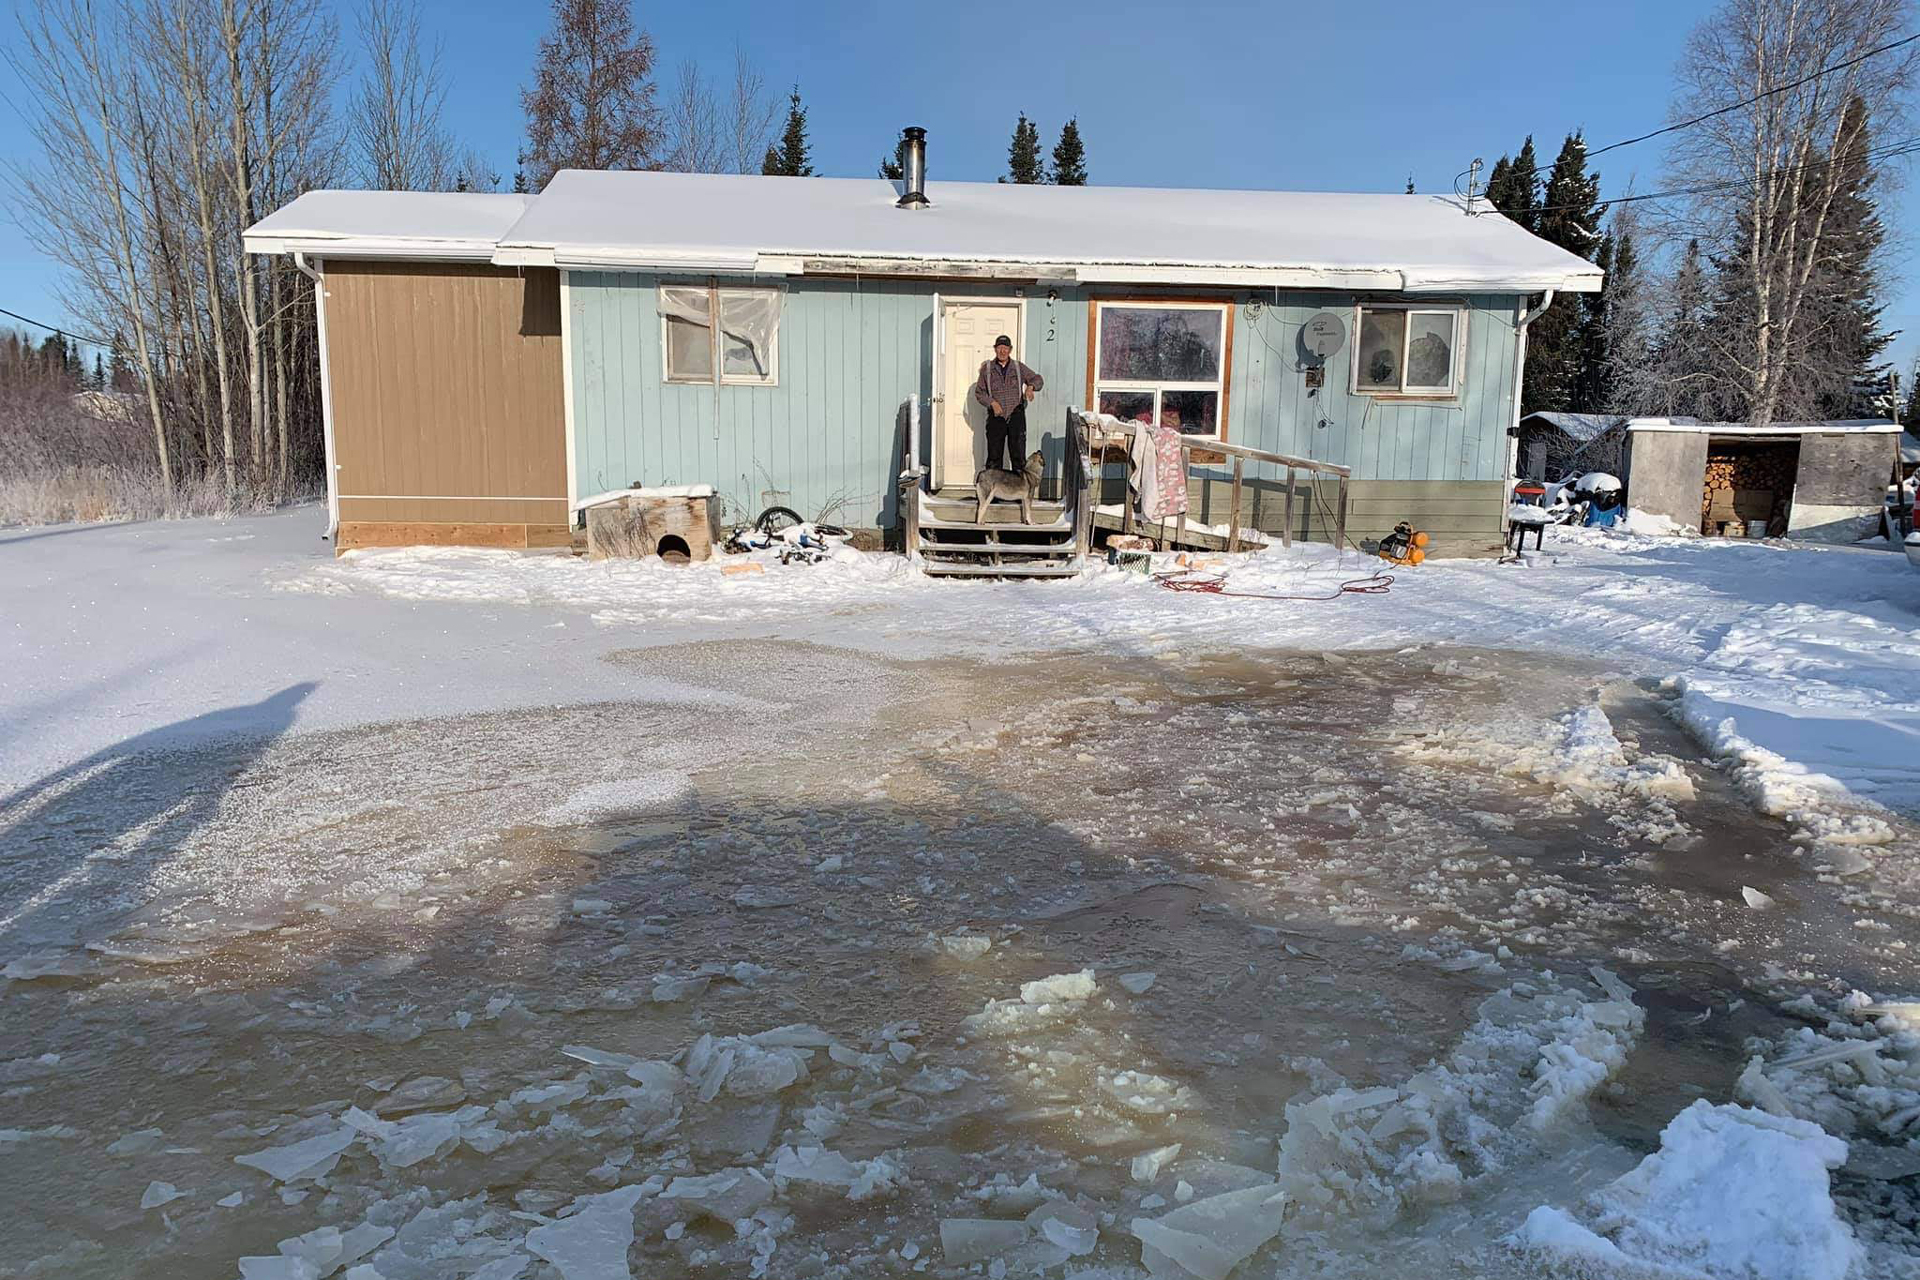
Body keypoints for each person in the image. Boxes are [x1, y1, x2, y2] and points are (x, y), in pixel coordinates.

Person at [973, 335, 1044, 471]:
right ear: (995, 349)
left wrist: (1031, 387)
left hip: (1016, 415)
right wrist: (992, 403)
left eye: (1005, 348)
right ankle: (993, 490)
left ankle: (1017, 490)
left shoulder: (1018, 367)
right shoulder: (987, 369)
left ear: (1010, 350)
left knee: (1018, 457)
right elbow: (979, 393)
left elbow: (1038, 379)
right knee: (994, 457)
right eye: (1000, 348)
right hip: (996, 417)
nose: (1002, 351)